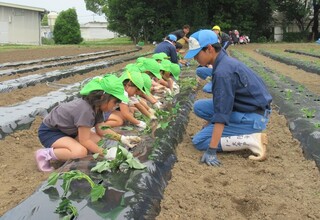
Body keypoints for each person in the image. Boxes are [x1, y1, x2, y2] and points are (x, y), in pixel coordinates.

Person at [184, 29, 272, 166]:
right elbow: (222, 104)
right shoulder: (224, 61)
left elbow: (222, 112)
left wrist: (212, 149)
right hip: (248, 109)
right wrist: (210, 125)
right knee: (199, 106)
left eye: (196, 54)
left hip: (253, 117)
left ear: (209, 49)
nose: (195, 59)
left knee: (200, 141)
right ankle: (229, 130)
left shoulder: (223, 73)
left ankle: (252, 139)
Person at [35, 74, 141, 172]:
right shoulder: (85, 110)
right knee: (80, 152)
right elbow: (84, 140)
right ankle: (45, 154)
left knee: (99, 142)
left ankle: (67, 149)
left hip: (70, 131)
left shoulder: (97, 107)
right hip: (51, 132)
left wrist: (121, 138)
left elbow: (101, 129)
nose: (115, 106)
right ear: (102, 97)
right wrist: (105, 153)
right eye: (115, 102)